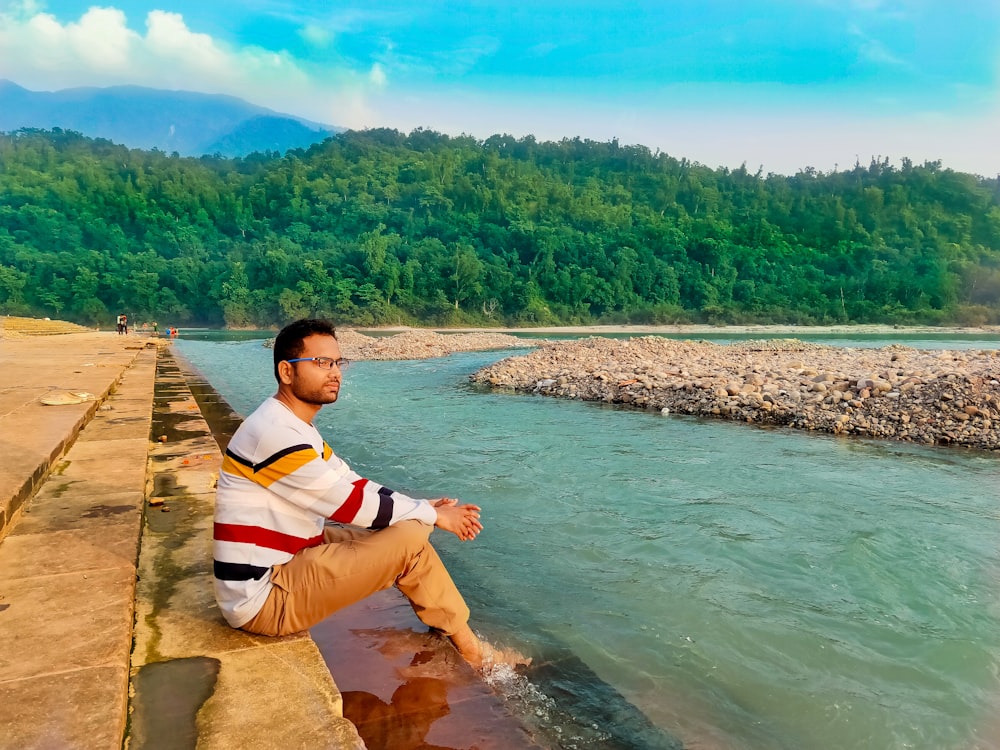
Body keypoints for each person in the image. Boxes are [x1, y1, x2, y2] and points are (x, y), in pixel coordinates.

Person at [212, 318, 527, 670]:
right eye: (321, 363)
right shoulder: (273, 433)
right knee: (409, 535)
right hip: (264, 597)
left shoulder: (292, 426)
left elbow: (351, 482)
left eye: (337, 362)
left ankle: (459, 640)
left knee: (408, 535)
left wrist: (421, 507)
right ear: (286, 372)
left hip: (289, 556)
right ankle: (472, 653)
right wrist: (433, 516)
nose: (335, 373)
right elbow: (350, 506)